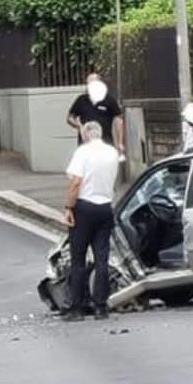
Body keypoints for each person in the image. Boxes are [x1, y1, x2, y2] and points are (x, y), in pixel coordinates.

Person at [62, 121, 123, 321]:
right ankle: (101, 306)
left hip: (84, 207)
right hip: (105, 207)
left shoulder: (83, 152)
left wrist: (69, 207)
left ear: (86, 134)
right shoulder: (112, 152)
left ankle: (77, 307)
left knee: (78, 258)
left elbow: (76, 182)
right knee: (101, 258)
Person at [66, 73, 125, 153]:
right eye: (88, 83)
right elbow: (70, 118)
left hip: (105, 143)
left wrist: (120, 142)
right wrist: (79, 126)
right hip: (85, 144)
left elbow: (118, 121)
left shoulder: (109, 100)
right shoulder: (81, 100)